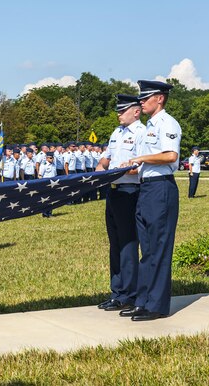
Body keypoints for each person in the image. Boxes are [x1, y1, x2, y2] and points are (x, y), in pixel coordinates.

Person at [123, 80, 181, 321]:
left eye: (146, 98)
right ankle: (143, 301)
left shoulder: (167, 123)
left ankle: (156, 305)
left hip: (161, 189)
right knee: (147, 249)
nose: (142, 102)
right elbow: (146, 164)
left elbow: (170, 155)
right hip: (147, 189)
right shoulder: (149, 126)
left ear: (160, 98)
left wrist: (141, 158)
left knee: (158, 248)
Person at [95, 94, 145, 312]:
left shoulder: (141, 133)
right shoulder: (117, 133)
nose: (118, 114)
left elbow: (141, 167)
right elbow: (105, 159)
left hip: (130, 191)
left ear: (136, 111)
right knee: (115, 244)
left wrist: (122, 170)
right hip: (113, 192)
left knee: (128, 245)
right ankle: (117, 293)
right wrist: (100, 170)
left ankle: (130, 294)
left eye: (122, 110)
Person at [38, 151, 57, 217]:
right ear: (47, 158)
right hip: (45, 184)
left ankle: (50, 212)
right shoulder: (43, 165)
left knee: (51, 199)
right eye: (51, 158)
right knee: (45, 199)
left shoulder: (54, 165)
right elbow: (40, 175)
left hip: (53, 183)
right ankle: (44, 213)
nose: (52, 159)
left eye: (53, 158)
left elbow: (55, 175)